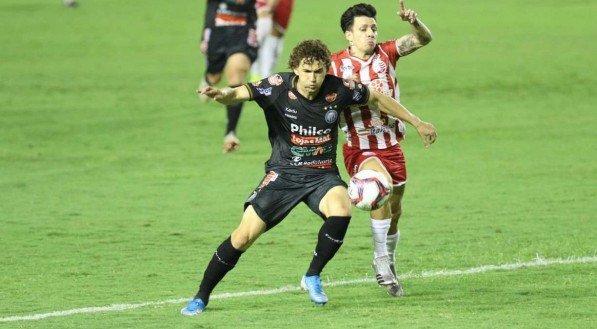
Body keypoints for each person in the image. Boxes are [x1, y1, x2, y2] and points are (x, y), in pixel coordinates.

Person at [181, 39, 436, 316]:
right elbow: (241, 92)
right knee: (243, 237)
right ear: (295, 69)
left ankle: (312, 275)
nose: (313, 78)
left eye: (319, 71)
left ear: (326, 69)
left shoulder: (339, 88)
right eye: (307, 71)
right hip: (284, 174)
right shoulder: (277, 85)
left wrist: (417, 122)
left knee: (341, 208)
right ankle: (201, 296)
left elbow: (376, 98)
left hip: (322, 175)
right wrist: (222, 93)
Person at [328, 1, 433, 296]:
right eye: (363, 29)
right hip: (360, 148)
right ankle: (381, 259)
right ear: (349, 34)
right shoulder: (335, 66)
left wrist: (415, 22)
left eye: (373, 28)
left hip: (390, 144)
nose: (371, 33)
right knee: (379, 188)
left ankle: (390, 257)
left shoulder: (387, 53)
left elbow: (423, 39)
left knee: (395, 209)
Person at [198, 0, 259, 153]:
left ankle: (230, 132)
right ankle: (208, 78)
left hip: (243, 29)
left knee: (236, 71)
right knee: (214, 75)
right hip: (217, 27)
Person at [252, 0, 295, 79]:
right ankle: (261, 80)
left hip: (277, 13)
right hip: (270, 14)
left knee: (272, 50)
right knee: (267, 49)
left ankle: (261, 80)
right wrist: (269, 7)